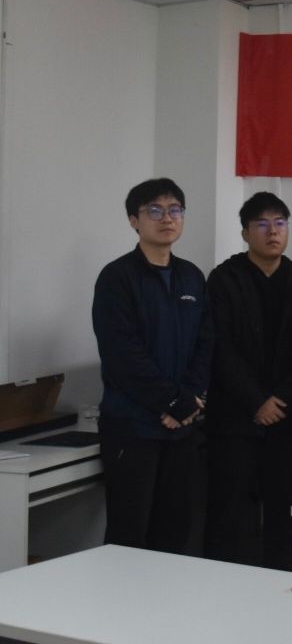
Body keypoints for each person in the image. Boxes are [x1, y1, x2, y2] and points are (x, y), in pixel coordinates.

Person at [92, 178, 211, 553]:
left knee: (175, 533)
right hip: (134, 427)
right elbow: (122, 355)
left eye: (175, 210)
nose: (167, 218)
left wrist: (190, 399)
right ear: (134, 220)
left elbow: (205, 343)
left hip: (182, 429)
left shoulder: (191, 276)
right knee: (129, 536)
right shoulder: (117, 277)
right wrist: (173, 402)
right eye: (155, 210)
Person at [204, 193, 292, 570]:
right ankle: (226, 588)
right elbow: (218, 347)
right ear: (245, 233)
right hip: (235, 419)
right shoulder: (224, 279)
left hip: (288, 419)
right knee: (231, 514)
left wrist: (280, 400)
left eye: (280, 223)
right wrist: (256, 401)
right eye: (262, 224)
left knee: (283, 512)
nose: (273, 232)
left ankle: (279, 584)